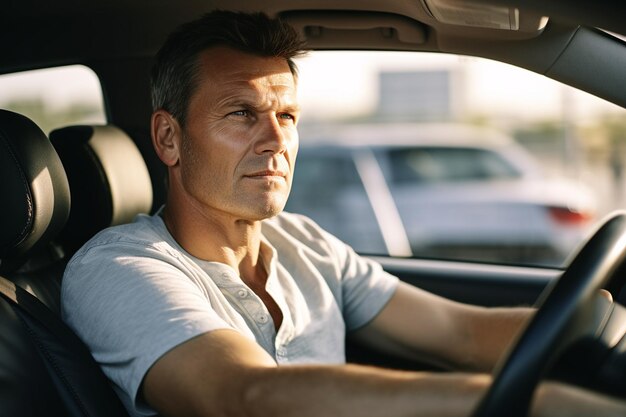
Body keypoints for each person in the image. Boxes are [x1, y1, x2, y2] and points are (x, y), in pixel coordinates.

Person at [61, 10, 626, 417]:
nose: (276, 140)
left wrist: (595, 333)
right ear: (169, 138)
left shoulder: (304, 242)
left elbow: (452, 329)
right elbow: (243, 395)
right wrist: (545, 403)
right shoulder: (117, 268)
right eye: (241, 113)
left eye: (287, 115)